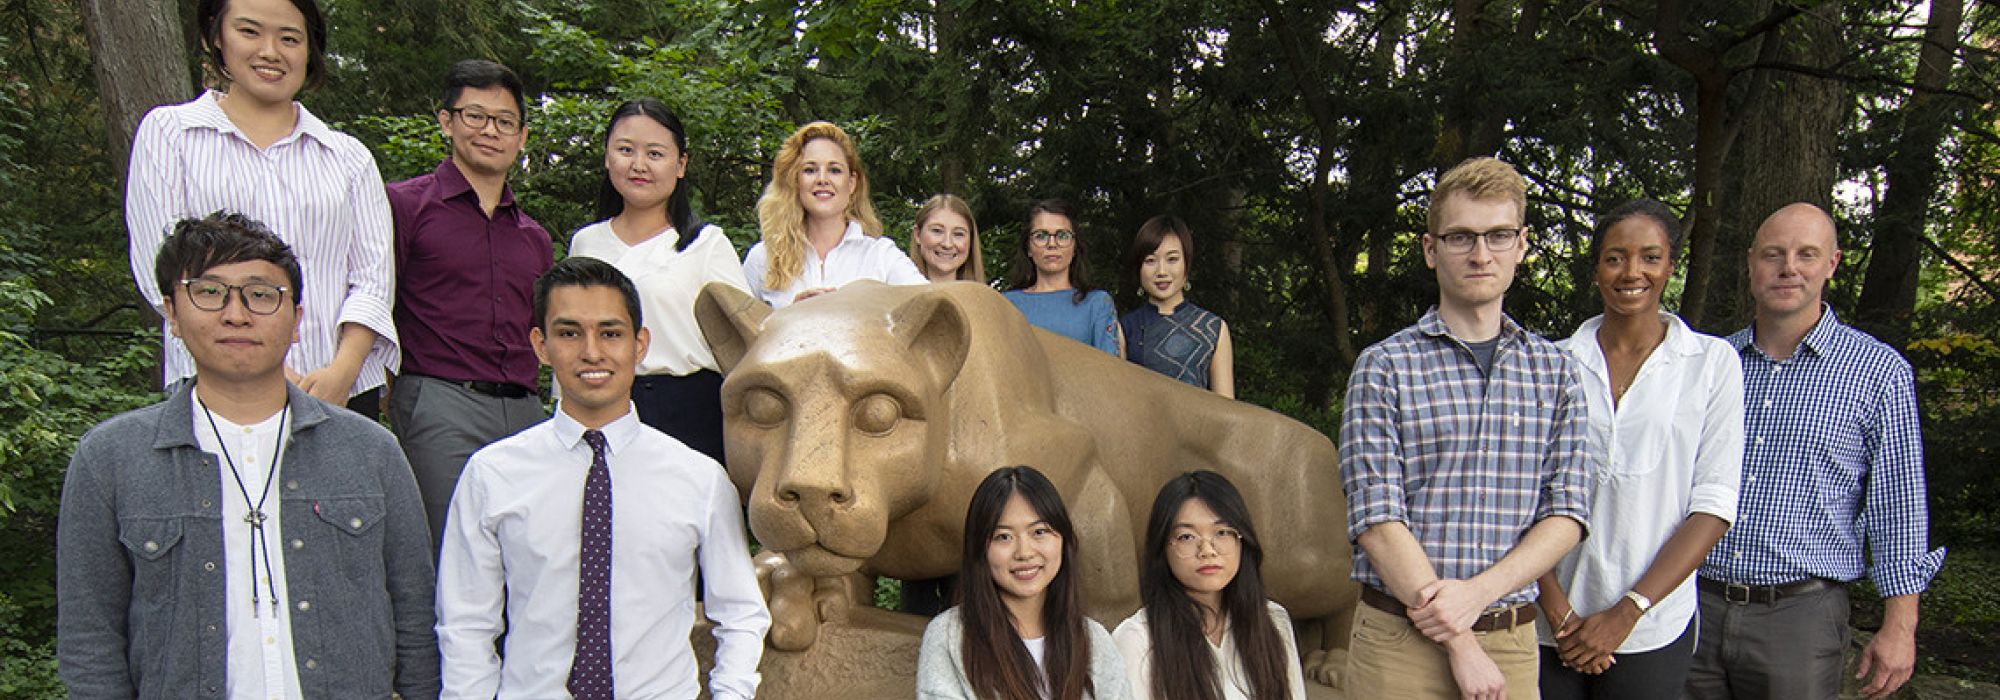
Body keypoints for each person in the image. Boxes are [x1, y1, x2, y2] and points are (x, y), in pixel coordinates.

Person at [58, 212, 439, 699]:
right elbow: (91, 641)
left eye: (261, 295)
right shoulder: (110, 459)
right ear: (172, 314)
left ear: (297, 319)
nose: (236, 314)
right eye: (209, 292)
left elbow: (416, 620)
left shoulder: (370, 451)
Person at [435, 257, 769, 699]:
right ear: (540, 345)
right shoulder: (492, 474)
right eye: (569, 333)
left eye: (611, 333)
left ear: (640, 344)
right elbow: (465, 624)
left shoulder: (699, 480)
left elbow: (742, 614)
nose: (592, 351)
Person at [1338, 156, 1593, 700]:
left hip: (1510, 641)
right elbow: (1377, 520)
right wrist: (1460, 641)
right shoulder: (1385, 366)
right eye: (1461, 237)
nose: (1481, 253)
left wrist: (1477, 596)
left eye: (1498, 235)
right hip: (1397, 644)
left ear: (1522, 245)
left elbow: (1567, 514)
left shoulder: (1557, 371)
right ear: (1431, 249)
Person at [1685, 202, 1945, 700]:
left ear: (1832, 264)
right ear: (1750, 263)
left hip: (1799, 619)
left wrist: (1900, 625)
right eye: (1774, 254)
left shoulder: (1878, 373)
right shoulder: (1712, 364)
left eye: (1807, 254)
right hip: (1694, 606)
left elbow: (1899, 506)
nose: (1789, 268)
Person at [126, 0, 397, 418]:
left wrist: (342, 373)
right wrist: (269, 371)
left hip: (337, 390)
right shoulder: (170, 134)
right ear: (216, 38)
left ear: (310, 49)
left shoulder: (349, 158)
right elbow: (160, 267)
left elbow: (373, 281)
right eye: (250, 32)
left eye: (289, 38)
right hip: (214, 384)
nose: (270, 51)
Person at [1531, 200, 1742, 699]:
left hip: (1652, 624)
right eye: (1614, 258)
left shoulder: (1710, 363)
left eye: (1650, 257)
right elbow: (1523, 497)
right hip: (1549, 621)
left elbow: (1712, 505)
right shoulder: (1551, 363)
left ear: (1671, 265)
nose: (1632, 272)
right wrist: (1559, 611)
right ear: (1596, 269)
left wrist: (1628, 611)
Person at [386, 58, 551, 550]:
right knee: (451, 553)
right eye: (474, 115)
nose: (489, 131)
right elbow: (378, 304)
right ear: (447, 121)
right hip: (439, 402)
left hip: (523, 408)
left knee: (526, 556)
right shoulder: (405, 206)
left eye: (504, 121)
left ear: (522, 135)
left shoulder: (534, 237)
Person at [568, 98, 747, 465]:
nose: (639, 165)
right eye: (625, 150)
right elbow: (569, 333)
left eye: (655, 153)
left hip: (690, 414)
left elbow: (743, 340)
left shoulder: (706, 244)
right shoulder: (586, 243)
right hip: (601, 406)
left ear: (680, 164)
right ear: (607, 157)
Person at [917, 466, 1132, 700]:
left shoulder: (1093, 640)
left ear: (1064, 540)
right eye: (1003, 537)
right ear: (980, 549)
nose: (1024, 552)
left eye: (1039, 532)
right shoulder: (950, 638)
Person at [1112, 471, 1306, 700]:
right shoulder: (1138, 639)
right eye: (1187, 537)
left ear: (1242, 540)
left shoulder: (1273, 621)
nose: (1207, 551)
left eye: (1222, 533)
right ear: (1162, 547)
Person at [741, 121, 925, 308]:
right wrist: (790, 316)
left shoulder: (881, 257)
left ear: (851, 183)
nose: (822, 179)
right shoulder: (763, 258)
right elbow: (737, 331)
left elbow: (931, 307)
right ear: (796, 181)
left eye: (834, 170)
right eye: (810, 170)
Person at [1119, 215, 1234, 396]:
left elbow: (1227, 408)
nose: (1162, 271)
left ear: (1186, 265)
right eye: (1150, 261)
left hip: (1198, 424)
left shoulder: (1214, 328)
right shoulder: (1125, 328)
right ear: (1139, 268)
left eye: (1172, 259)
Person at [1003, 199, 1122, 356]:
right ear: (1028, 248)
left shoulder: (1097, 303)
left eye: (1063, 235)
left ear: (1074, 248)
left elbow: (1112, 372)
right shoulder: (1007, 304)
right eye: (1041, 236)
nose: (1052, 244)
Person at [911, 193, 987, 283]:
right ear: (917, 234)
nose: (947, 244)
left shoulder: (988, 297)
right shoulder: (893, 294)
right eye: (937, 231)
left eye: (958, 234)